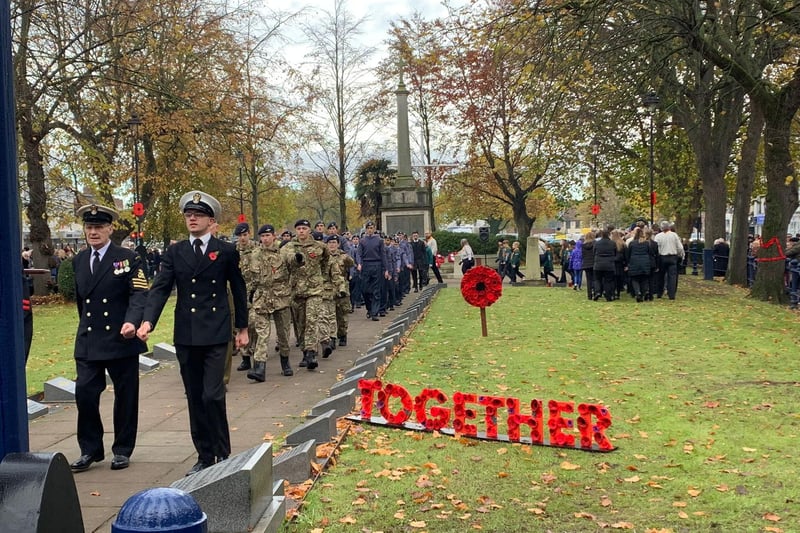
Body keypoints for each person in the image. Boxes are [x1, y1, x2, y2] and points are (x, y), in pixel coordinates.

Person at [137, 191, 249, 476]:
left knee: (213, 395)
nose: (192, 219)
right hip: (187, 334)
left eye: (198, 215)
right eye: (188, 215)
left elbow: (238, 289)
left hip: (215, 333)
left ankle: (222, 453)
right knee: (195, 396)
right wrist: (148, 321)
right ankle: (203, 454)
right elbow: (161, 288)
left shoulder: (225, 251)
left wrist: (243, 328)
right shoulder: (176, 252)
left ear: (211, 221)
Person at [70, 204, 149, 473]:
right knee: (84, 394)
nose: (93, 232)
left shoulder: (127, 257)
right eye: (89, 227)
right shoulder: (79, 260)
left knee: (126, 396)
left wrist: (131, 321)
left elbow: (139, 294)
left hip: (120, 338)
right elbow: (82, 302)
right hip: (90, 339)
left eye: (99, 227)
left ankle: (122, 449)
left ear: (110, 229)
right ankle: (90, 449)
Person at [282, 219, 341, 367]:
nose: (301, 231)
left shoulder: (319, 246)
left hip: (314, 290)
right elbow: (286, 260)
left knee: (312, 320)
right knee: (301, 324)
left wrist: (319, 277)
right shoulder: (289, 247)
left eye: (304, 228)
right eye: (299, 228)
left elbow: (326, 260)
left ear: (309, 230)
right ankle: (305, 352)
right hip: (296, 291)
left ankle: (311, 353)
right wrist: (296, 259)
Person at [242, 224, 294, 381]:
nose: (265, 239)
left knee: (283, 333)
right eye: (262, 236)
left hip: (280, 297)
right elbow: (250, 277)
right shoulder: (255, 254)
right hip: (262, 298)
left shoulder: (283, 251)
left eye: (267, 236)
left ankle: (285, 362)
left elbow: (294, 263)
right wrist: (247, 296)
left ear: (274, 236)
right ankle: (259, 368)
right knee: (262, 333)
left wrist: (298, 259)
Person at [233, 222, 257, 372]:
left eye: (244, 235)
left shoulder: (257, 249)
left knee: (253, 323)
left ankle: (254, 352)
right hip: (240, 291)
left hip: (255, 291)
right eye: (240, 236)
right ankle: (245, 357)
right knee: (241, 324)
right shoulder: (233, 251)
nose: (242, 238)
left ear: (249, 233)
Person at [654, 221, 685, 300]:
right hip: (672, 257)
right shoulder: (674, 235)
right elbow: (680, 247)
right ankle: (671, 294)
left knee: (660, 276)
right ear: (669, 227)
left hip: (662, 257)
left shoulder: (658, 236)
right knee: (672, 276)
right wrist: (678, 254)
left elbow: (656, 247)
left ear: (661, 228)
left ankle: (659, 293)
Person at [625, 227, 656, 302]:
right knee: (644, 279)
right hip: (645, 262)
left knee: (635, 279)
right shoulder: (646, 243)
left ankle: (637, 292)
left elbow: (628, 254)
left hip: (634, 262)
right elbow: (651, 253)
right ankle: (643, 293)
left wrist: (628, 263)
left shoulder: (632, 243)